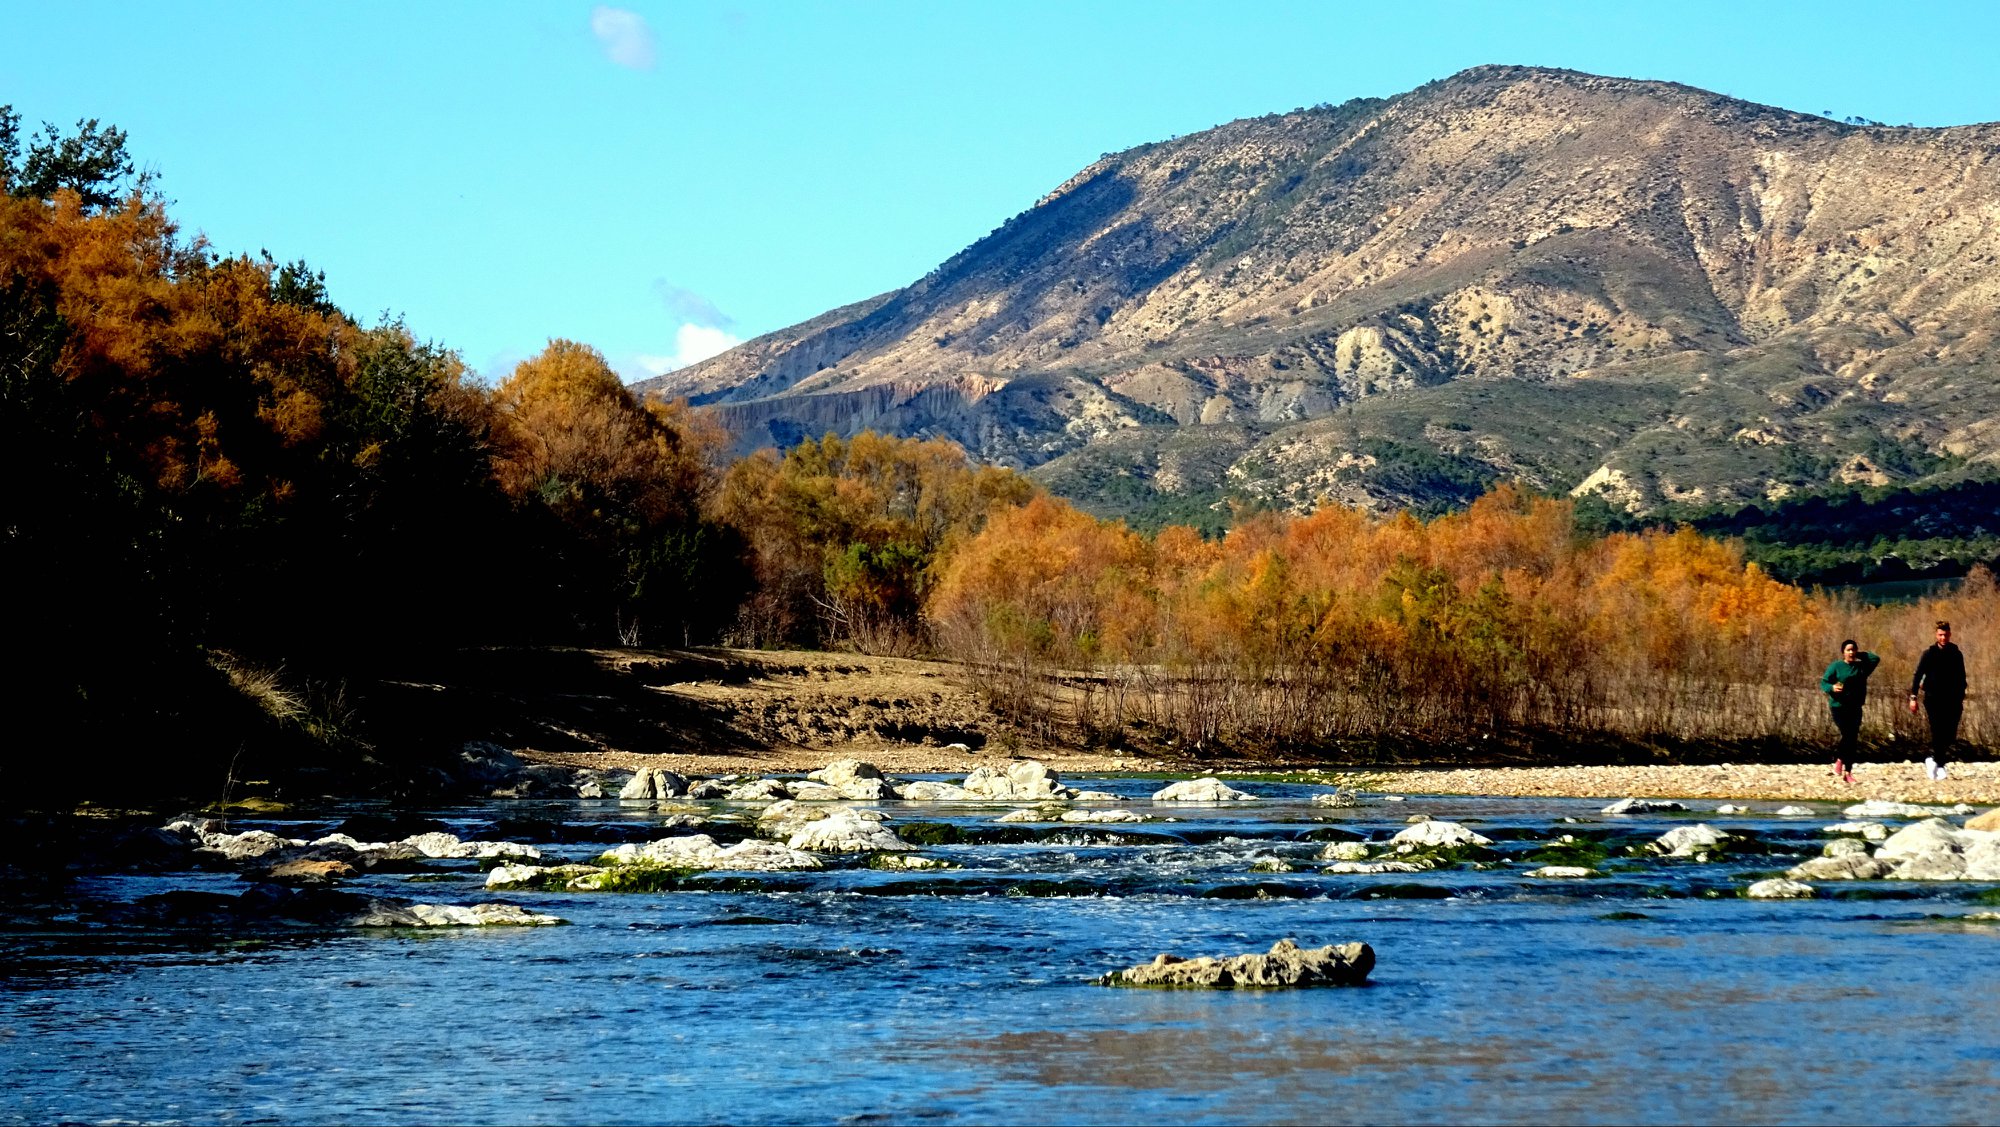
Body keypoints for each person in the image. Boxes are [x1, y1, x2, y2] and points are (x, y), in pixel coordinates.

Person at [1908, 620, 1966, 782]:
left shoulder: (1956, 653)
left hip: (1953, 699)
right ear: (1936, 635)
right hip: (1933, 699)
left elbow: (1962, 676)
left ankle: (1933, 759)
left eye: (1946, 635)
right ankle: (1940, 765)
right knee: (1937, 730)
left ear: (1950, 634)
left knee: (1950, 734)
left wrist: (1961, 694)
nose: (1943, 638)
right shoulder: (1929, 654)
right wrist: (1913, 697)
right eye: (1940, 635)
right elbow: (1918, 675)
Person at [1821, 639, 1879, 784]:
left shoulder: (1862, 668)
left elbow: (1875, 658)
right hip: (1839, 706)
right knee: (1848, 735)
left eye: (1853, 650)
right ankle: (1840, 761)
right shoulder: (1836, 666)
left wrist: (1859, 654)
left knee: (1852, 739)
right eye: (1848, 650)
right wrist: (1832, 688)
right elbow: (1824, 682)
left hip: (1855, 707)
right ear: (1843, 652)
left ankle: (1847, 771)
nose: (1851, 652)